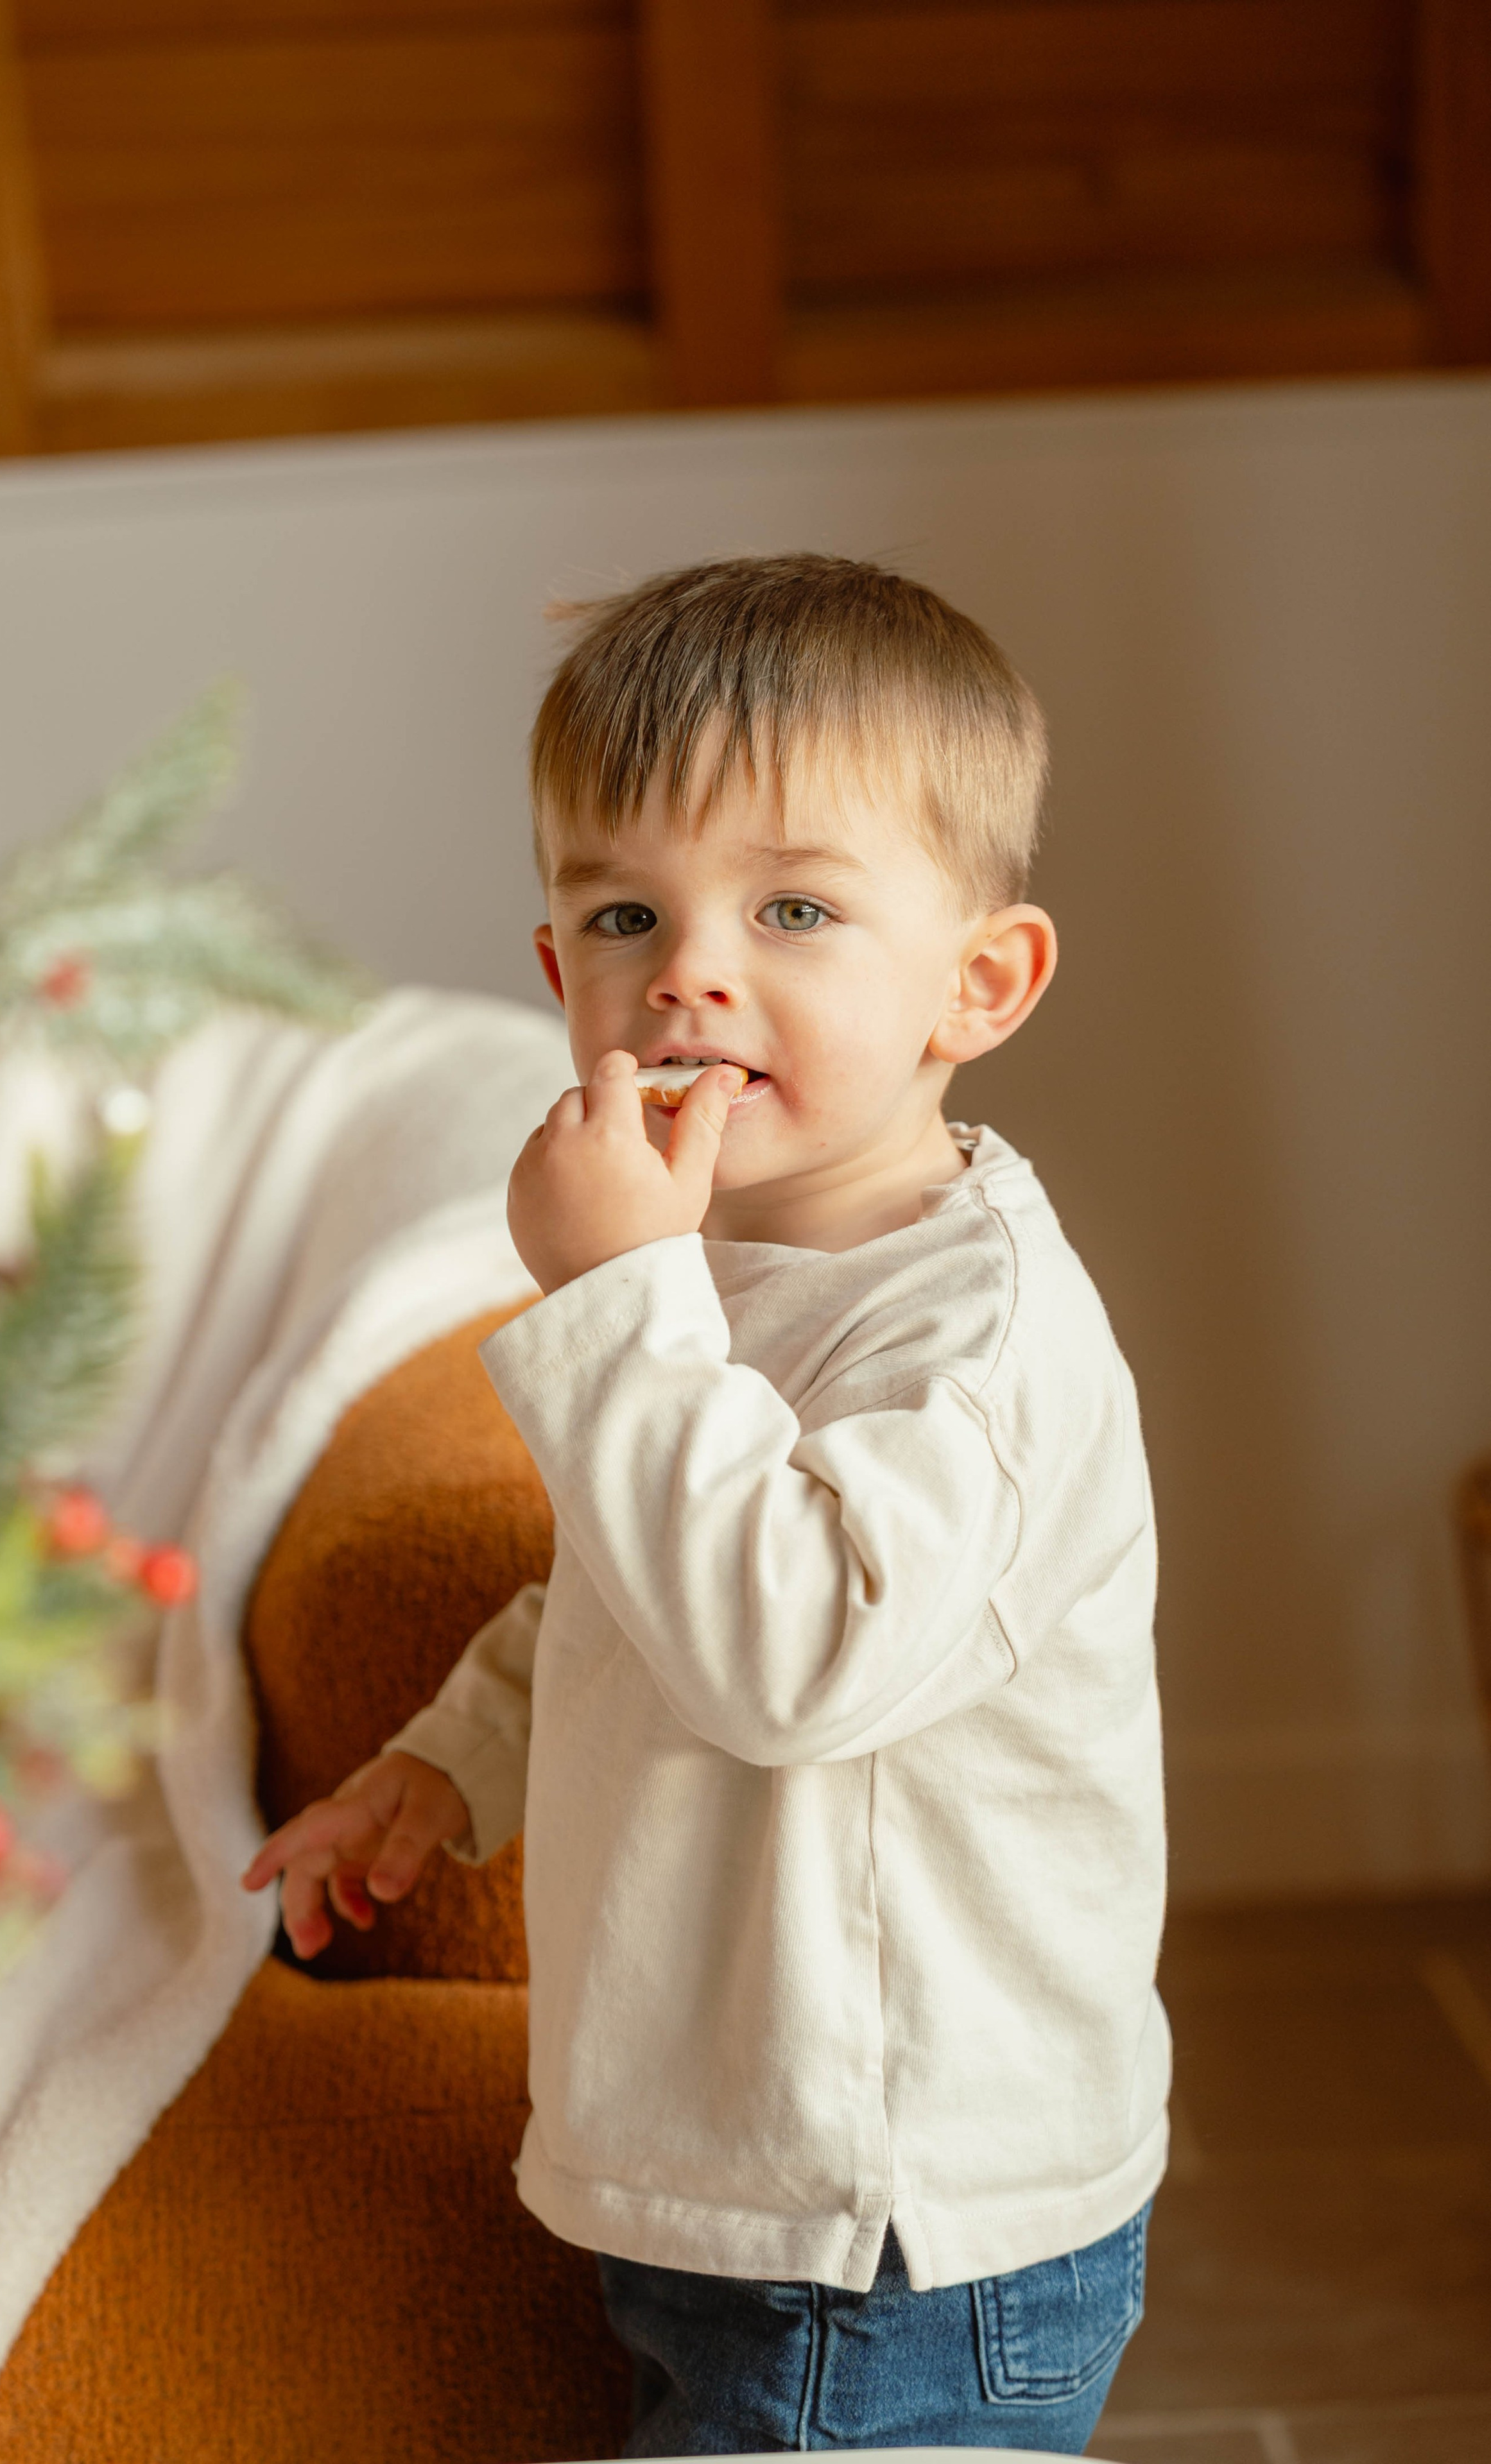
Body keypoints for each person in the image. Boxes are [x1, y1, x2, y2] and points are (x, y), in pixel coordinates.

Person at [243, 554, 1168, 2455]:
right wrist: (451, 1761)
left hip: (896, 2228)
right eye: (625, 913)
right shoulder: (715, 1266)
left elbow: (787, 1659)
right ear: (556, 973)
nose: (689, 971)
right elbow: (628, 1583)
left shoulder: (972, 1339)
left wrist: (616, 1298)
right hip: (741, 2177)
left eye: (796, 907)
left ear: (978, 984)